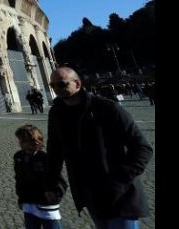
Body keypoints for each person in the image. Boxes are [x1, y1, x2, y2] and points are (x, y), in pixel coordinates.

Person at [45, 67, 153, 228]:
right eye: (52, 86)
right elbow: (54, 153)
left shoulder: (107, 108)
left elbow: (142, 148)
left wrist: (120, 179)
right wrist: (51, 185)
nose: (56, 89)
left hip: (120, 194)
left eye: (61, 84)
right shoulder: (56, 114)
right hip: (89, 194)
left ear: (77, 83)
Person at [14, 124, 67, 229]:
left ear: (35, 141)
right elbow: (19, 179)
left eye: (23, 141)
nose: (20, 143)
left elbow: (58, 180)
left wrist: (55, 195)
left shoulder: (44, 158)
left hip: (46, 203)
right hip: (28, 203)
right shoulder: (19, 157)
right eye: (20, 140)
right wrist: (21, 198)